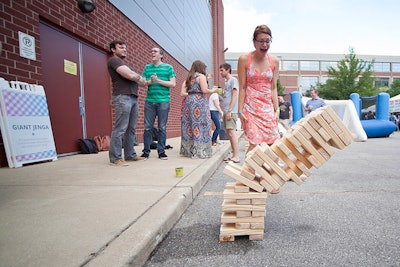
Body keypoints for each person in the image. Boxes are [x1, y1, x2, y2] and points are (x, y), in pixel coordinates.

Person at [237, 25, 280, 193]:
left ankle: (269, 178)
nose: (264, 44)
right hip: (251, 107)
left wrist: (276, 110)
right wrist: (240, 111)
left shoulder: (274, 61)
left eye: (267, 41)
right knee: (255, 144)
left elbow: (274, 87)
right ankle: (248, 178)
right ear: (254, 42)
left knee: (272, 144)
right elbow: (242, 87)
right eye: (261, 41)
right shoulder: (244, 59)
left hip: (268, 108)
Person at [107, 39, 147, 166]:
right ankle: (115, 157)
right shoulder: (114, 60)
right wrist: (138, 77)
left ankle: (130, 155)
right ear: (113, 49)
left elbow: (142, 82)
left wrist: (139, 78)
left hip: (133, 97)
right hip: (122, 97)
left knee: (131, 128)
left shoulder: (125, 63)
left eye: (125, 47)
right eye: (121, 47)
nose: (124, 49)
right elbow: (130, 75)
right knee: (120, 128)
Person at [141, 47, 176, 160]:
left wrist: (158, 80)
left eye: (155, 51)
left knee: (162, 127)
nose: (152, 53)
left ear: (161, 55)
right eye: (151, 51)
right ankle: (146, 152)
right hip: (150, 101)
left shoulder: (168, 67)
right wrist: (151, 81)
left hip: (163, 102)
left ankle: (161, 151)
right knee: (147, 128)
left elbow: (173, 84)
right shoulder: (147, 68)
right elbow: (143, 82)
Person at [180, 60, 218, 159]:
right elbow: (205, 90)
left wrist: (192, 94)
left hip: (189, 102)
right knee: (202, 124)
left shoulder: (188, 78)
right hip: (199, 102)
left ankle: (189, 151)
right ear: (201, 68)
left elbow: (182, 93)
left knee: (189, 125)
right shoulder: (201, 77)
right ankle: (200, 151)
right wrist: (214, 90)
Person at [220, 63, 240, 163]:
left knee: (232, 132)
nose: (220, 72)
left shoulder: (233, 80)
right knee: (229, 133)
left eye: (222, 70)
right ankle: (233, 155)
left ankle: (236, 156)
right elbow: (226, 97)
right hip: (226, 110)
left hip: (230, 111)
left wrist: (230, 110)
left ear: (228, 70)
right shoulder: (227, 82)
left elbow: (235, 94)